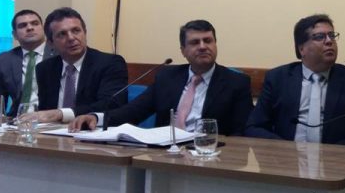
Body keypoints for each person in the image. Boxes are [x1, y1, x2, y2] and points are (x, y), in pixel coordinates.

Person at [70, 20, 253, 136]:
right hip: (166, 154)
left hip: (208, 154)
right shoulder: (167, 77)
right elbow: (133, 111)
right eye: (195, 42)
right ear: (183, 51)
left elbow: (241, 132)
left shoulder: (236, 83)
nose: (203, 46)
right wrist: (96, 117)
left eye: (208, 40)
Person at [245, 14, 345, 145]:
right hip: (286, 156)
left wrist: (332, 152)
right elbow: (254, 127)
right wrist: (286, 149)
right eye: (320, 37)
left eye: (332, 35)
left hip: (336, 156)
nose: (329, 41)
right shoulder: (278, 78)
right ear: (301, 49)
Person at [35, 7, 128, 123]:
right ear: (50, 43)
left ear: (85, 32)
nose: (71, 38)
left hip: (91, 130)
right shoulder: (45, 69)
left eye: (76, 31)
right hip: (52, 131)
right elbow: (45, 111)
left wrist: (62, 114)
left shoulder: (110, 63)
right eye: (62, 34)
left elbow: (111, 105)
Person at [0, 10, 57, 116]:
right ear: (15, 35)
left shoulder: (60, 54)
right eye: (23, 25)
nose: (29, 28)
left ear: (43, 29)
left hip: (51, 119)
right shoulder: (5, 59)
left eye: (35, 23)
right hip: (16, 119)